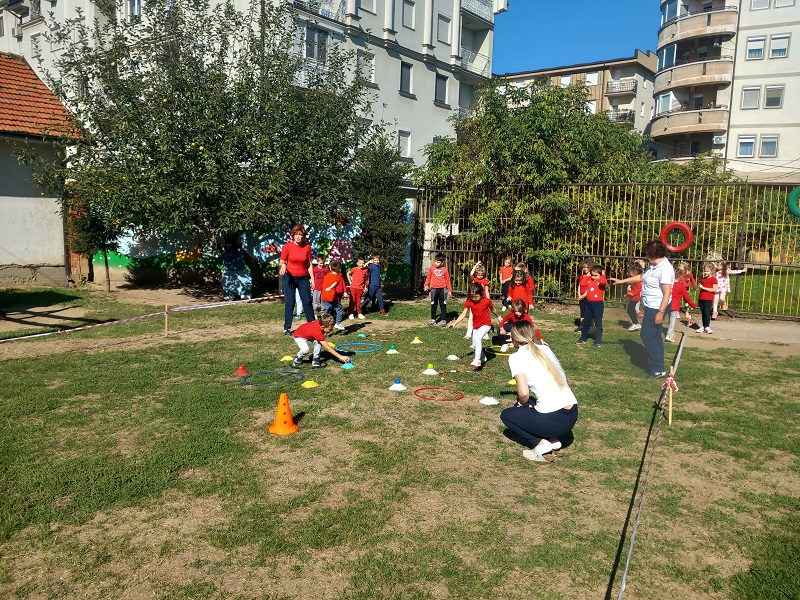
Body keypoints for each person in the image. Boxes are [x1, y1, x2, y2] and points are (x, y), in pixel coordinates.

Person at [500, 321, 578, 463]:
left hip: (551, 420)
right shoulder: (546, 349)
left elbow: (523, 393)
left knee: (507, 415)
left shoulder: (516, 357)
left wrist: (522, 404)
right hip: (571, 415)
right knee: (533, 403)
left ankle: (541, 444)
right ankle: (554, 441)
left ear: (514, 339)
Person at [610, 239, 674, 379]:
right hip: (651, 305)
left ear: (653, 253)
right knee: (655, 336)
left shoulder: (665, 268)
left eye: (647, 253)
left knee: (646, 334)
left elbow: (667, 293)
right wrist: (622, 281)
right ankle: (659, 366)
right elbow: (642, 277)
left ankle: (657, 369)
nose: (646, 255)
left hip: (657, 306)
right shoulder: (654, 265)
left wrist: (660, 313)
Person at [448, 282, 499, 367]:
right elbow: (463, 314)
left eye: (476, 297)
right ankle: (483, 358)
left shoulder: (487, 301)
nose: (474, 299)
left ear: (481, 294)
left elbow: (493, 309)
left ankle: (477, 359)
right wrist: (454, 323)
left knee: (478, 338)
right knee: (475, 343)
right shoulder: (469, 302)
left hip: (486, 324)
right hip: (476, 326)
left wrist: (498, 316)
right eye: (472, 297)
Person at [279, 224, 315, 335]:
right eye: (296, 235)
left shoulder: (307, 247)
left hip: (303, 278)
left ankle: (312, 325)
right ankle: (287, 328)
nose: (299, 237)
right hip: (290, 277)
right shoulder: (288, 246)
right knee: (290, 302)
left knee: (307, 302)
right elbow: (282, 261)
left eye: (301, 235)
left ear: (303, 236)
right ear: (293, 235)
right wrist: (283, 266)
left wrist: (312, 278)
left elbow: (309, 264)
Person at [576, 265, 606, 347]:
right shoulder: (590, 280)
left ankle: (597, 341)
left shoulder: (601, 282)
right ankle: (583, 338)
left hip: (598, 305)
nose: (594, 277)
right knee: (586, 322)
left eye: (596, 275)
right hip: (589, 304)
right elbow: (582, 283)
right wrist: (588, 276)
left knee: (598, 324)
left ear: (600, 275)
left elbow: (603, 282)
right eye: (592, 275)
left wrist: (603, 275)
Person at [666, 264, 697, 342]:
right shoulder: (680, 286)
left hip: (667, 304)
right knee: (672, 321)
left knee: (670, 320)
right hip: (675, 306)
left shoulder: (669, 284)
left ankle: (671, 332)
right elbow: (687, 297)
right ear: (680, 277)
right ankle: (669, 335)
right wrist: (693, 305)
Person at [423, 252, 452, 327]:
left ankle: (443, 320)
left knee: (443, 304)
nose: (436, 263)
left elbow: (447, 280)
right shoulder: (432, 268)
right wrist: (426, 285)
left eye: (438, 262)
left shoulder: (445, 270)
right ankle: (433, 318)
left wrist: (449, 290)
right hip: (434, 289)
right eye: (435, 261)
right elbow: (428, 277)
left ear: (442, 262)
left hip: (443, 289)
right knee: (433, 304)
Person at [464, 261, 490, 339]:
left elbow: (487, 291)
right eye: (478, 274)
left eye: (481, 275)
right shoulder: (474, 279)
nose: (480, 276)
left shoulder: (485, 281)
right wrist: (476, 265)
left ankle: (485, 334)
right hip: (474, 302)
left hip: (482, 302)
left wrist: (488, 301)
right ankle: (469, 333)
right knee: (472, 317)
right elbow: (471, 274)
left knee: (483, 318)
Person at [320, 260, 348, 330]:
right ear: (338, 269)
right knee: (339, 309)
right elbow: (335, 283)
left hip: (324, 296)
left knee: (326, 310)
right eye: (340, 268)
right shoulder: (337, 277)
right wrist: (330, 288)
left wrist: (327, 288)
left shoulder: (326, 275)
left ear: (330, 267)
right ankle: (337, 323)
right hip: (332, 297)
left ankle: (322, 323)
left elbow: (323, 284)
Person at [698, 262, 719, 334]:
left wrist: (703, 287)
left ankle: (707, 326)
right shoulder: (703, 279)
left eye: (708, 271)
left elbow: (714, 289)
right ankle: (703, 326)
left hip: (708, 299)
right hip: (702, 298)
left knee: (707, 313)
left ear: (711, 271)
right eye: (705, 271)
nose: (706, 272)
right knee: (703, 313)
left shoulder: (713, 279)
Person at [575, 259, 594, 332]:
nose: (585, 269)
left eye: (587, 267)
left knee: (589, 312)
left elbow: (589, 287)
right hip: (582, 297)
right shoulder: (582, 276)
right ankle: (582, 325)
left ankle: (591, 326)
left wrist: (584, 295)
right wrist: (579, 295)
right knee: (582, 311)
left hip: (588, 297)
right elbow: (579, 286)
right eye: (584, 267)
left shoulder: (592, 277)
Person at [624, 263, 643, 331]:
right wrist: (627, 295)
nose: (629, 273)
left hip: (635, 298)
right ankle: (636, 323)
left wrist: (632, 293)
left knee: (630, 310)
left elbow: (639, 289)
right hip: (633, 298)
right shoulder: (633, 280)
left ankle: (636, 324)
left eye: (631, 271)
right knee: (630, 310)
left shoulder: (637, 281)